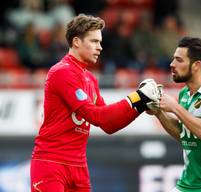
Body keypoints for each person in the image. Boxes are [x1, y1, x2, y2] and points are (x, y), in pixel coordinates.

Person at [30, 14, 161, 192]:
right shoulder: (62, 72)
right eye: (94, 41)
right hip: (52, 164)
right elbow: (96, 116)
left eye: (100, 42)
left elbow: (109, 124)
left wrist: (140, 105)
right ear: (76, 42)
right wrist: (138, 97)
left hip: (79, 166)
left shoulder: (90, 78)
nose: (100, 47)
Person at [149, 36, 201, 191]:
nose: (172, 64)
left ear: (196, 65)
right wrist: (158, 112)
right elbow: (185, 136)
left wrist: (176, 108)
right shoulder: (185, 94)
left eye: (179, 60)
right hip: (187, 184)